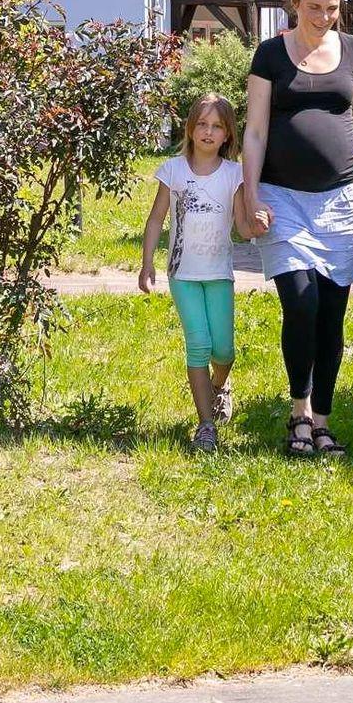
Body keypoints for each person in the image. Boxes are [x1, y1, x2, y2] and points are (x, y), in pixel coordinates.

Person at [241, 0, 353, 459]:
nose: (324, 17)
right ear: (295, 2)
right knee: (300, 302)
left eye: (332, 8)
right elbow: (255, 130)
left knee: (331, 312)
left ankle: (321, 422)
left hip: (344, 200)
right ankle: (298, 412)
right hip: (283, 199)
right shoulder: (270, 54)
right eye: (314, 8)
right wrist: (251, 192)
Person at [139, 93, 254, 452]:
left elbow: (243, 227)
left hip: (219, 273)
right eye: (202, 124)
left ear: (227, 134)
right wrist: (147, 262)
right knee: (199, 345)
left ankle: (219, 386)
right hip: (183, 274)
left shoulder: (234, 174)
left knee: (224, 350)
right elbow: (156, 219)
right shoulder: (173, 170)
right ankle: (206, 425)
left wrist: (259, 223)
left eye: (217, 126)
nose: (208, 131)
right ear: (189, 128)